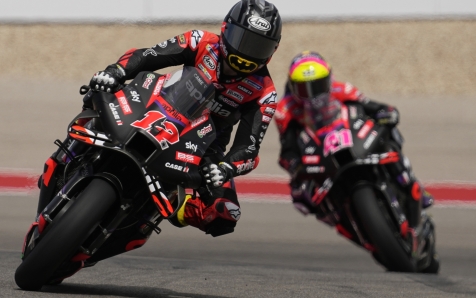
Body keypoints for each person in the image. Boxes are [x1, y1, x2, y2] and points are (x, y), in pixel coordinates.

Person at [38, 0, 281, 258]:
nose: (246, 54)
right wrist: (116, 71)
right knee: (98, 95)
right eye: (243, 40)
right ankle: (70, 156)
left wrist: (225, 168)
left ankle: (158, 210)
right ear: (225, 29)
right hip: (158, 104)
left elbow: (249, 147)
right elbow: (149, 55)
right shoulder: (200, 41)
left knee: (224, 213)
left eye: (258, 47)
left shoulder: (264, 93)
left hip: (205, 145)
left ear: (272, 51)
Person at [275, 51, 434, 221]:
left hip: (351, 135)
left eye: (318, 85)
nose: (312, 94)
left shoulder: (341, 88)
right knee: (301, 195)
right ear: (292, 87)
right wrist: (294, 164)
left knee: (388, 133)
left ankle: (408, 180)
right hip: (317, 148)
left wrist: (386, 112)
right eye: (303, 89)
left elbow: (371, 106)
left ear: (329, 79)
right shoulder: (285, 110)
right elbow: (288, 147)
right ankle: (336, 215)